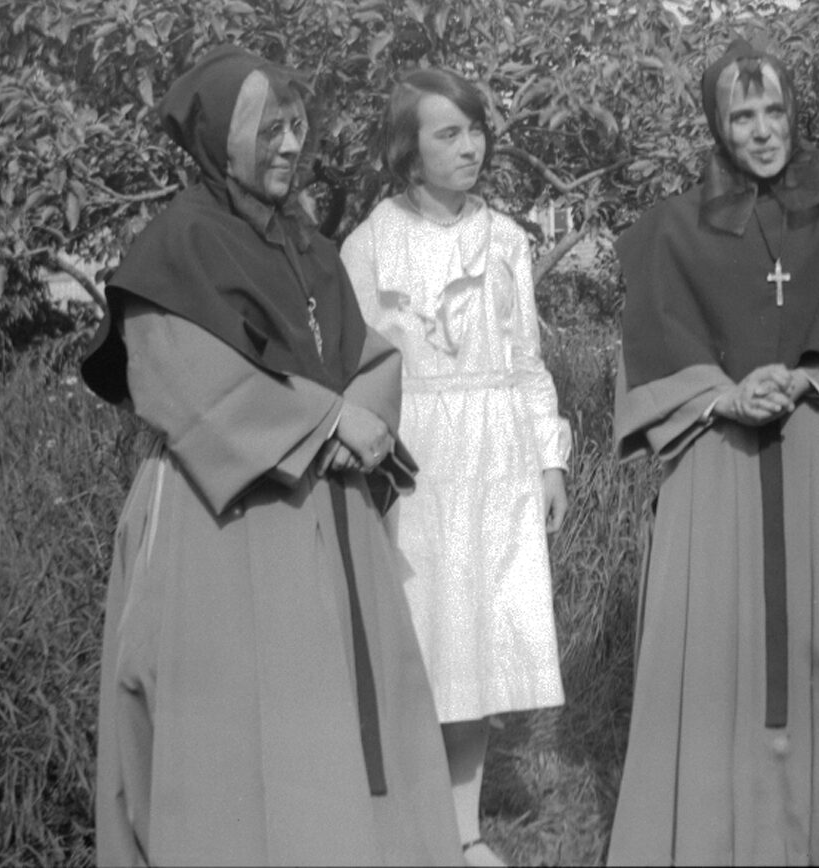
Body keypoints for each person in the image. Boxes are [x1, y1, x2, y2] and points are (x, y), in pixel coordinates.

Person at [82, 45, 462, 866]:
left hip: (332, 517)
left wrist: (358, 416)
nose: (290, 146)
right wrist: (325, 422)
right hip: (221, 520)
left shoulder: (308, 246)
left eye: (297, 127)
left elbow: (368, 357)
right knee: (239, 747)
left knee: (333, 734)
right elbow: (175, 375)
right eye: (268, 131)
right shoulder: (175, 243)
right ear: (221, 141)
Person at [608, 38, 819, 865]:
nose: (762, 132)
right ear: (716, 127)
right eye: (741, 116)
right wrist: (721, 394)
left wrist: (802, 382)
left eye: (774, 112)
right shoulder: (669, 232)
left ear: (795, 113)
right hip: (715, 460)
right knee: (722, 655)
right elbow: (649, 341)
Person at [339, 68, 571, 868]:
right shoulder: (369, 245)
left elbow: (526, 359)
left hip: (497, 453)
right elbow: (352, 369)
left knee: (474, 641)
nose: (469, 145)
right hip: (417, 458)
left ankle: (463, 829)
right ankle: (396, 820)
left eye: (474, 129)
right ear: (408, 151)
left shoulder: (504, 239)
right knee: (419, 634)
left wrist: (547, 460)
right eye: (448, 132)